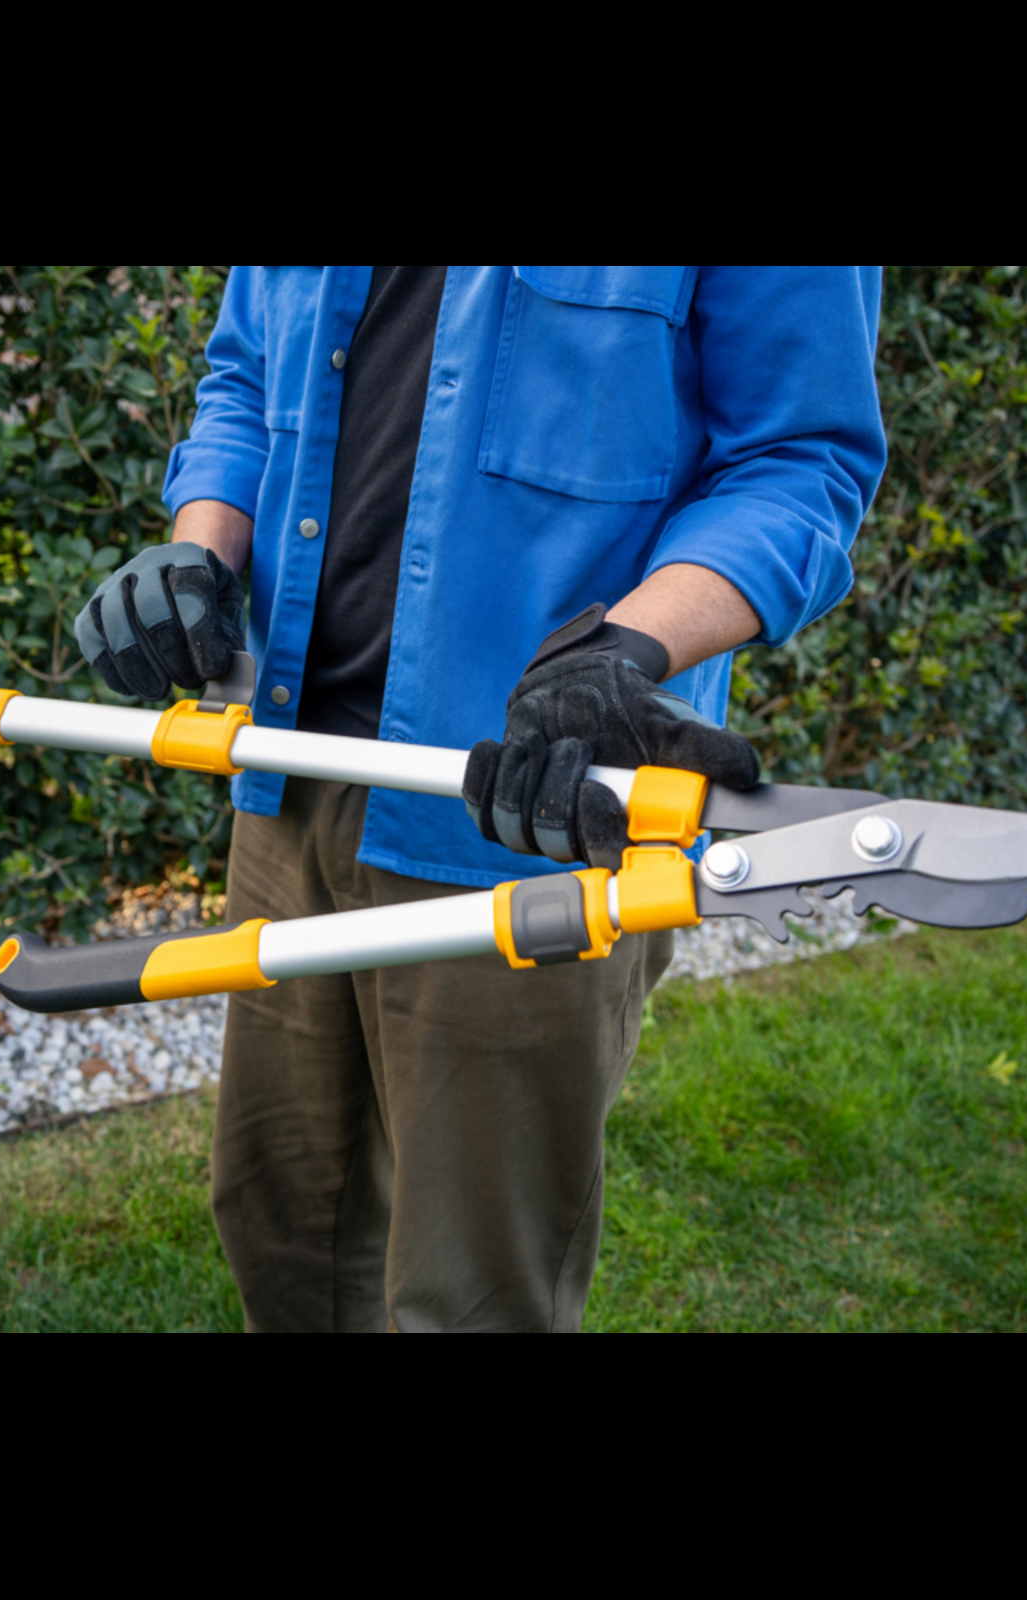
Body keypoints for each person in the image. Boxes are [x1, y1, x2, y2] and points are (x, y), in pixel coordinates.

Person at [74, 267, 885, 1332]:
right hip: (290, 771)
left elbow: (800, 462)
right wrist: (199, 547)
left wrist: (621, 652)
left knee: (472, 1293)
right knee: (284, 1224)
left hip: (526, 811)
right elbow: (243, 376)